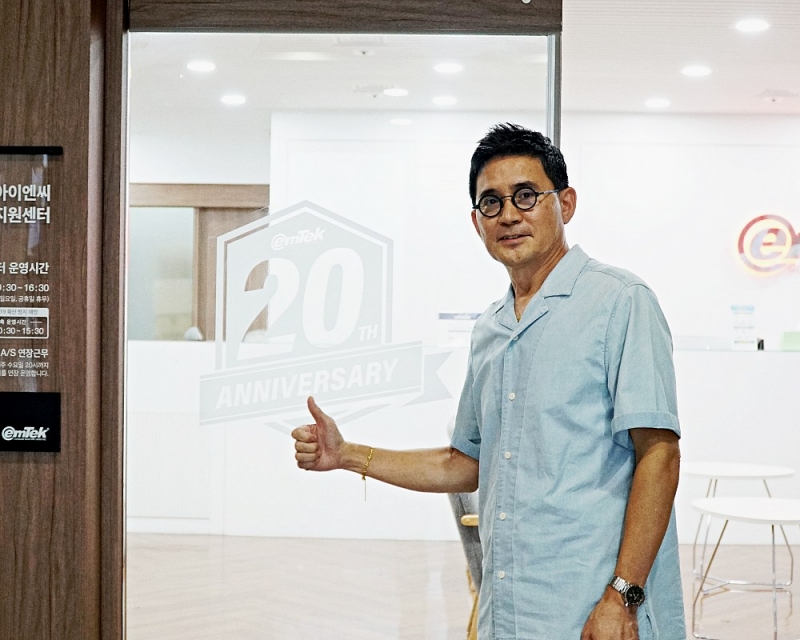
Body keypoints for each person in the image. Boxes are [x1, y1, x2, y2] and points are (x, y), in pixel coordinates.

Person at [292, 123, 685, 640]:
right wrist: (346, 454)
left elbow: (659, 454)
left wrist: (622, 595)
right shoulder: (491, 330)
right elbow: (465, 463)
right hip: (513, 608)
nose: (509, 215)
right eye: (491, 203)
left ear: (565, 203)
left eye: (526, 195)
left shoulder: (621, 301)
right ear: (477, 222)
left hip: (598, 608)